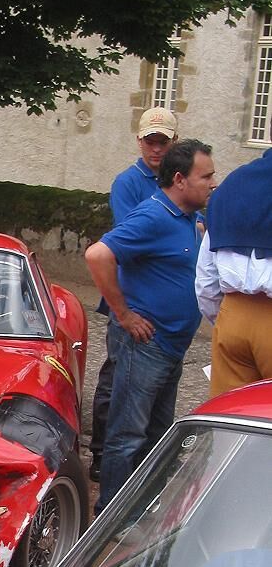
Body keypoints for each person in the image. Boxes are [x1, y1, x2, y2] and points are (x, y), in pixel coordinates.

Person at [85, 139, 216, 512]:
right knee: (127, 435)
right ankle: (111, 515)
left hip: (171, 346)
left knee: (157, 434)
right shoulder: (153, 216)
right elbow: (98, 255)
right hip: (145, 345)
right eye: (205, 176)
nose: (213, 183)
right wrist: (124, 315)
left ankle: (141, 508)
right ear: (179, 179)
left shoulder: (189, 218)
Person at [89, 107, 178, 480]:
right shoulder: (128, 182)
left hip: (158, 304)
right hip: (129, 296)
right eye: (150, 141)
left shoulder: (177, 180)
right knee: (115, 377)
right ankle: (100, 453)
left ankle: (143, 464)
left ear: (173, 142)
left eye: (162, 142)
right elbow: (130, 240)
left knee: (150, 388)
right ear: (140, 141)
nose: (156, 149)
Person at [195, 148, 272, 397]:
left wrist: (223, 319)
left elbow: (206, 277)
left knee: (231, 412)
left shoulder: (230, 185)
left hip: (232, 317)